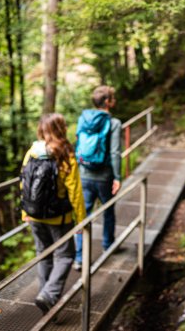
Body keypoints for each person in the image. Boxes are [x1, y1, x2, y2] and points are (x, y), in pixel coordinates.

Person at [21, 113, 86, 314]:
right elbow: (75, 190)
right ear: (61, 129)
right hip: (59, 217)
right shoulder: (65, 153)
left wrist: (25, 211)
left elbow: (23, 182)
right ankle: (48, 296)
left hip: (34, 215)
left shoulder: (32, 151)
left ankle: (45, 299)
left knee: (44, 255)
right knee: (65, 256)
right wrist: (82, 220)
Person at [74, 86, 122, 270]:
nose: (115, 100)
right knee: (108, 210)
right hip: (104, 176)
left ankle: (79, 258)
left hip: (84, 174)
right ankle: (108, 245)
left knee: (83, 215)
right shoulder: (114, 122)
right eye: (113, 98)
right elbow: (115, 152)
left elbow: (78, 145)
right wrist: (117, 177)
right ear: (108, 102)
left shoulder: (83, 119)